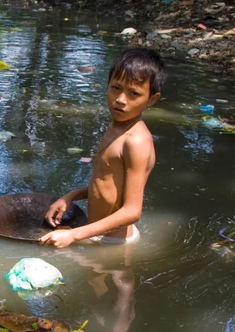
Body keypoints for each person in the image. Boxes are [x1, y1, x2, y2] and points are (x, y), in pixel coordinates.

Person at [40, 48, 165, 247]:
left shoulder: (136, 141)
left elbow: (132, 211)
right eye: (116, 88)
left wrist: (74, 234)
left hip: (115, 244)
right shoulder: (115, 127)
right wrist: (70, 196)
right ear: (107, 85)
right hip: (97, 233)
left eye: (134, 94)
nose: (121, 100)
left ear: (151, 99)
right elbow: (105, 184)